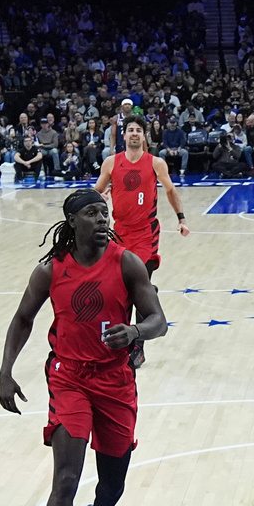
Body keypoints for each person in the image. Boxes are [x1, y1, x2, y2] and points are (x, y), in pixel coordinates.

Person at [0, 189, 167, 506]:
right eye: (91, 213)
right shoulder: (50, 269)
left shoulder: (128, 263)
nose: (102, 218)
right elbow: (22, 318)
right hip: (69, 378)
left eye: (104, 212)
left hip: (115, 379)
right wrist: (6, 371)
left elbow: (159, 321)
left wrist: (135, 331)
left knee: (112, 486)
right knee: (65, 480)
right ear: (72, 221)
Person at [94, 115, 190, 368]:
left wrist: (181, 218)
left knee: (138, 287)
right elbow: (95, 192)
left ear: (144, 136)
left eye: (138, 130)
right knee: (118, 289)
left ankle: (138, 346)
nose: (134, 133)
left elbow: (170, 190)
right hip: (119, 234)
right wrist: (99, 199)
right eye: (130, 130)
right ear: (123, 136)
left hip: (146, 234)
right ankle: (120, 338)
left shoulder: (156, 163)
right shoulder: (111, 163)